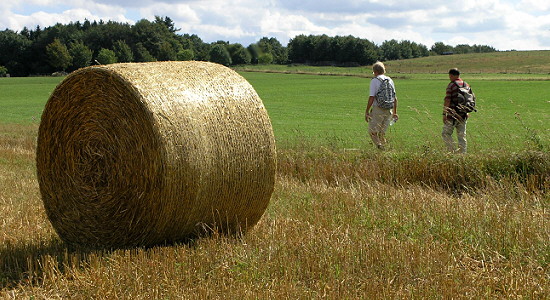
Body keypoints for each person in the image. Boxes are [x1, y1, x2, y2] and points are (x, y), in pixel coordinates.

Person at [365, 61, 398, 150]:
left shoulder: (375, 81)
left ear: (375, 71)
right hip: (388, 110)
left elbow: (372, 97)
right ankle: (385, 151)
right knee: (382, 133)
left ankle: (380, 147)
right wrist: (395, 113)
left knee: (373, 132)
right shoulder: (390, 80)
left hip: (378, 109)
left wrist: (367, 111)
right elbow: (395, 98)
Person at [442, 68, 470, 153]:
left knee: (446, 133)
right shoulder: (466, 85)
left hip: (452, 115)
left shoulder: (451, 85)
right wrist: (467, 111)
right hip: (464, 115)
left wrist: (444, 114)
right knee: (462, 136)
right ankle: (462, 155)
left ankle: (452, 151)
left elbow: (447, 100)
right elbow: (468, 100)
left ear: (452, 75)